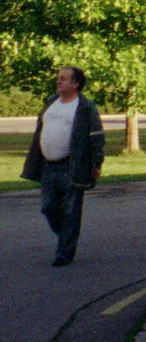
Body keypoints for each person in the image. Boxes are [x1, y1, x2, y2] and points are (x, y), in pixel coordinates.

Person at [20, 66, 104, 267]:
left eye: (64, 79)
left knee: (71, 210)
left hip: (72, 166)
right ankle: (67, 235)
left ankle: (64, 253)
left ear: (75, 84)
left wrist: (96, 163)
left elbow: (96, 137)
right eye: (59, 78)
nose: (58, 81)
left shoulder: (85, 107)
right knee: (48, 207)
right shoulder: (51, 103)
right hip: (49, 166)